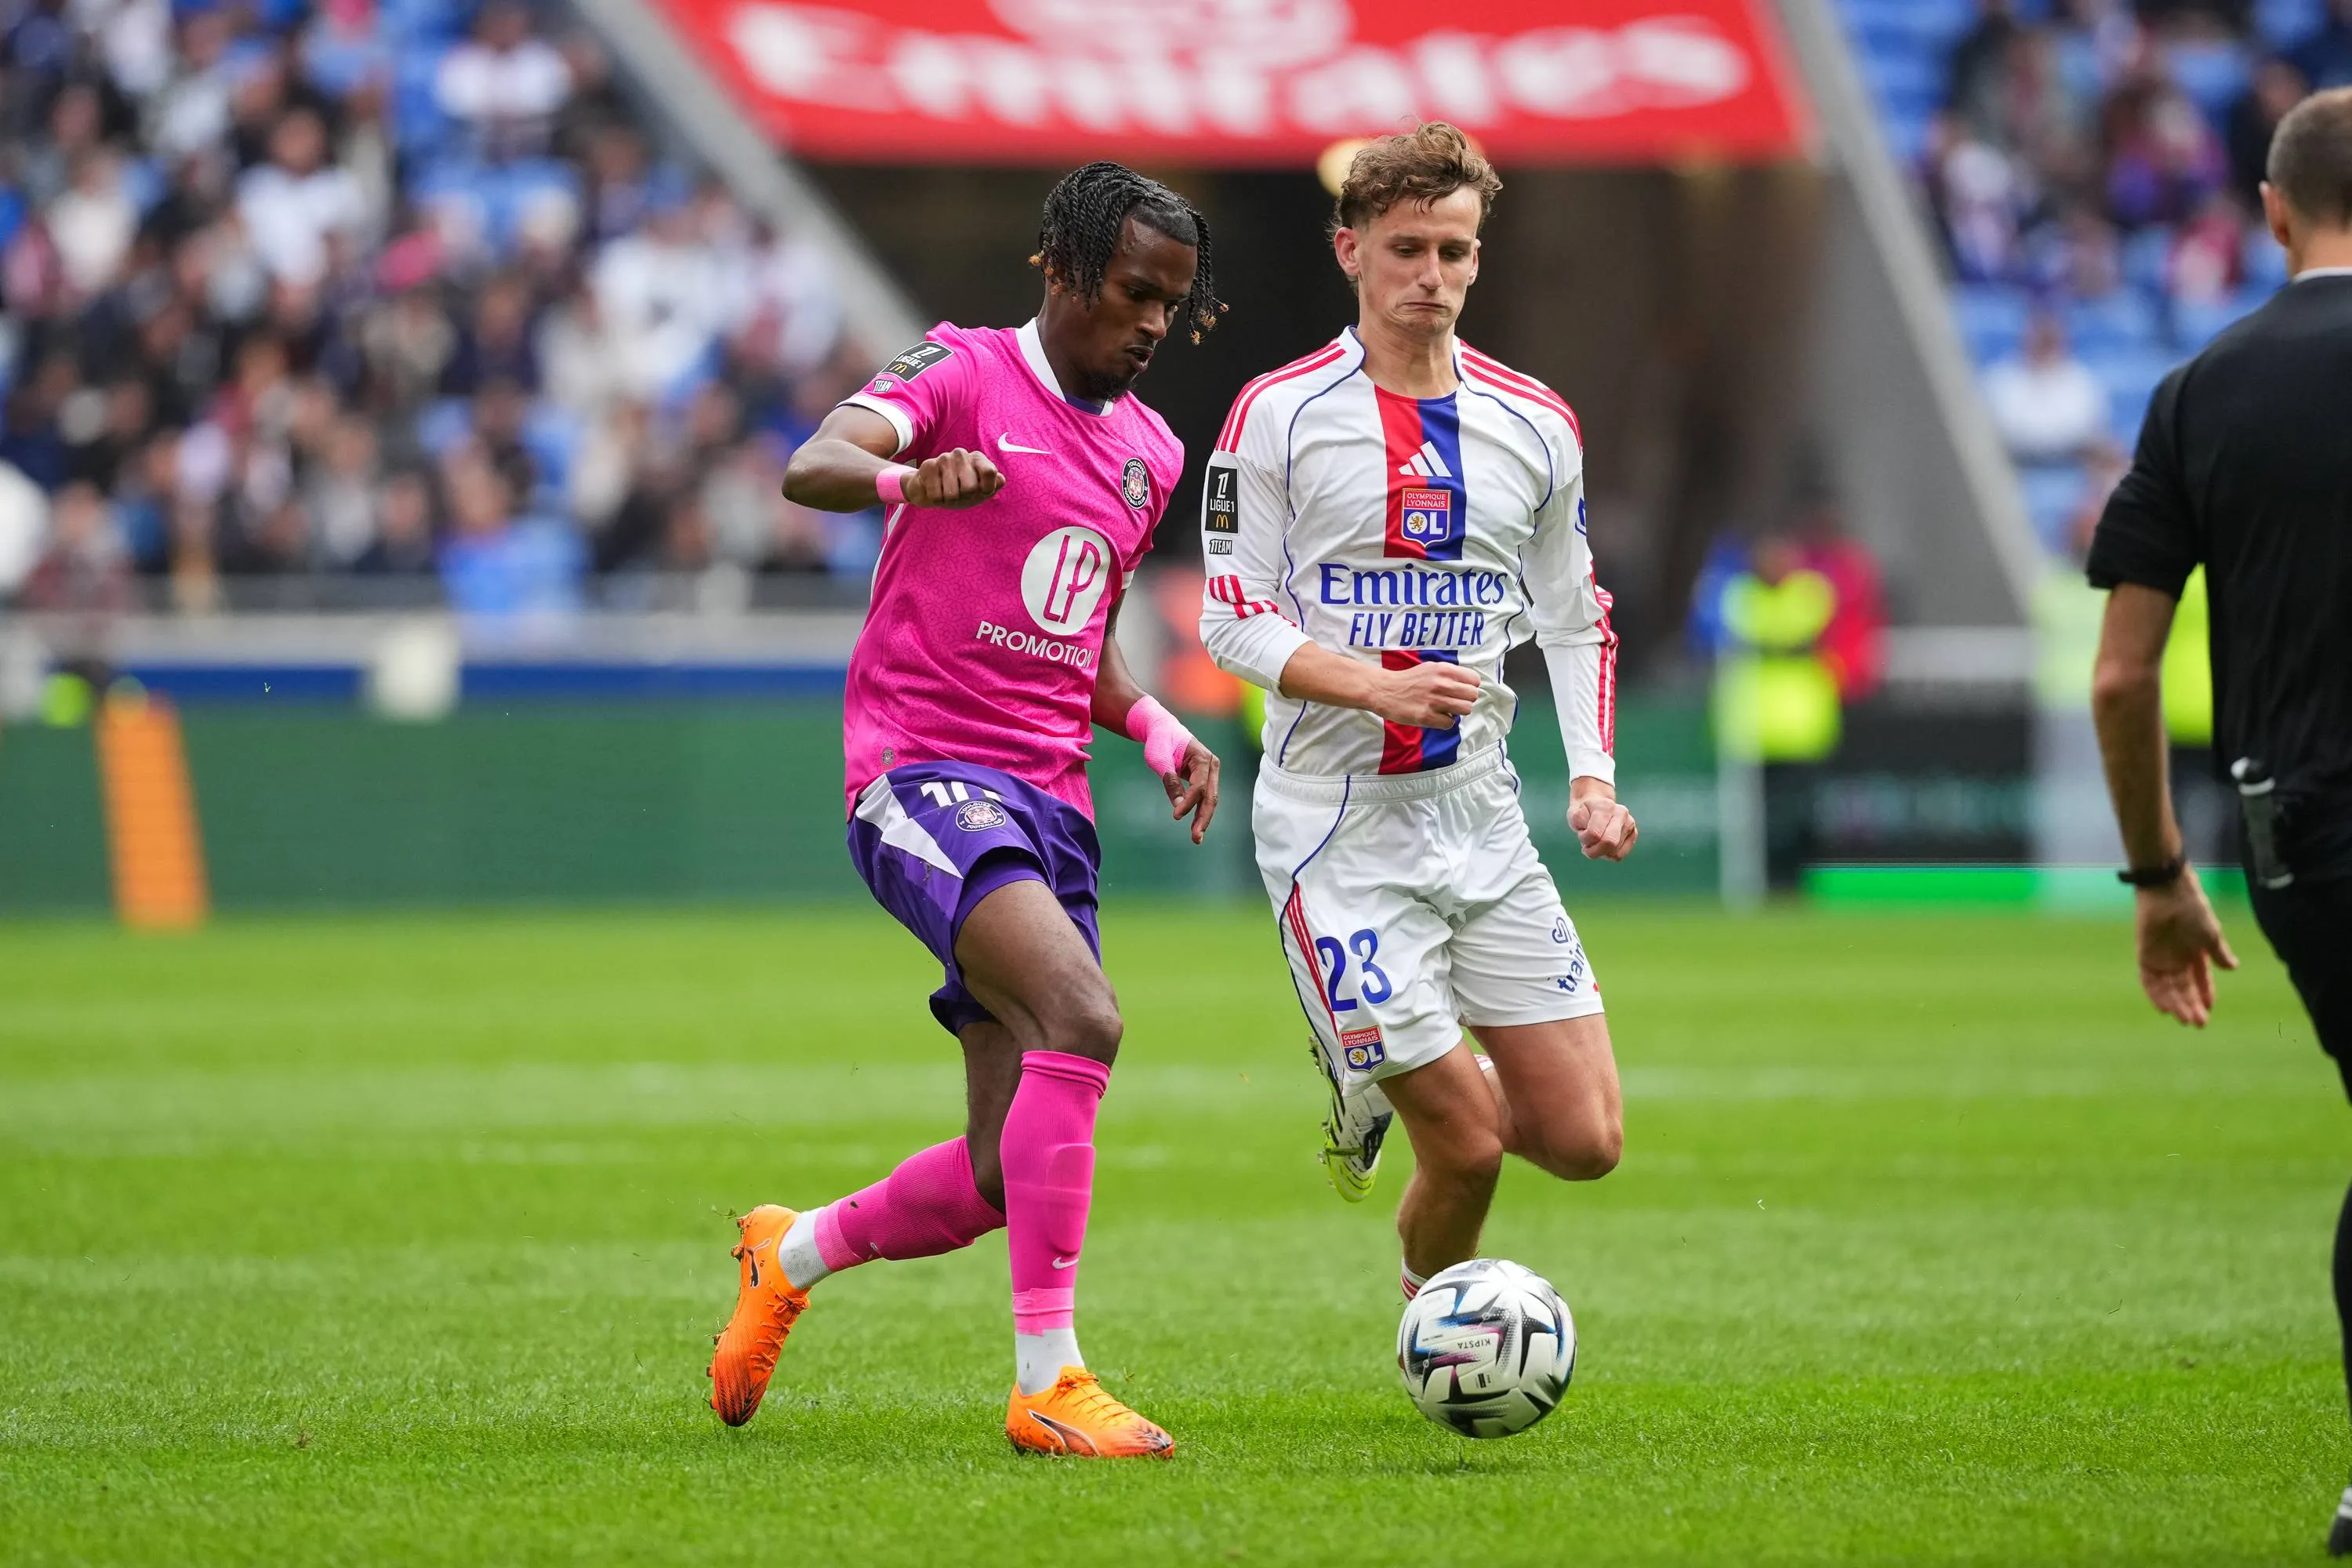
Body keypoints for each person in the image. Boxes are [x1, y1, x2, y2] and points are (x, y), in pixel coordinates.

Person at [714, 162, 1224, 1458]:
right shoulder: (956, 370)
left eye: (1172, 302)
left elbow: (1080, 639)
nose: (1155, 324)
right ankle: (1049, 1381)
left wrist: (1158, 724)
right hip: (920, 773)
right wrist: (905, 484)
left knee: (1003, 1173)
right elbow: (813, 464)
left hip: (1052, 803)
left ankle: (793, 1252)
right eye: (1134, 293)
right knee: (1085, 1016)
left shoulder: (1152, 451)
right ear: (1061, 271)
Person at [1197, 123, 1633, 1306]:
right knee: (1473, 1144)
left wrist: (1592, 775)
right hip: (1338, 824)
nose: (1429, 276)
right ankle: (1431, 1313)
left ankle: (1386, 1072)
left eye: (1453, 250)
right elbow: (1230, 621)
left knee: (1588, 1140)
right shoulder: (1277, 415)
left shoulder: (1537, 423)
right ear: (1351, 251)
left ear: (1479, 259)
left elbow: (1572, 612)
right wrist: (1372, 685)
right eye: (1405, 249)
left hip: (1481, 814)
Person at [2085, 85, 2352, 1556]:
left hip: (2302, 835)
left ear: (2269, 210)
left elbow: (2125, 676)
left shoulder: (2204, 388)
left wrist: (2158, 877)